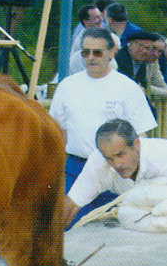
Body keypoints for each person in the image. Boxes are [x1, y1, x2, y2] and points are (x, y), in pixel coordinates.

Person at [48, 27, 157, 197]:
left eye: (97, 52)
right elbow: (58, 132)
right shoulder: (66, 86)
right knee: (72, 222)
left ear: (111, 53)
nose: (91, 57)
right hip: (76, 169)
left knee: (116, 222)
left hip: (116, 170)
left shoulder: (128, 87)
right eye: (86, 52)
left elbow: (141, 135)